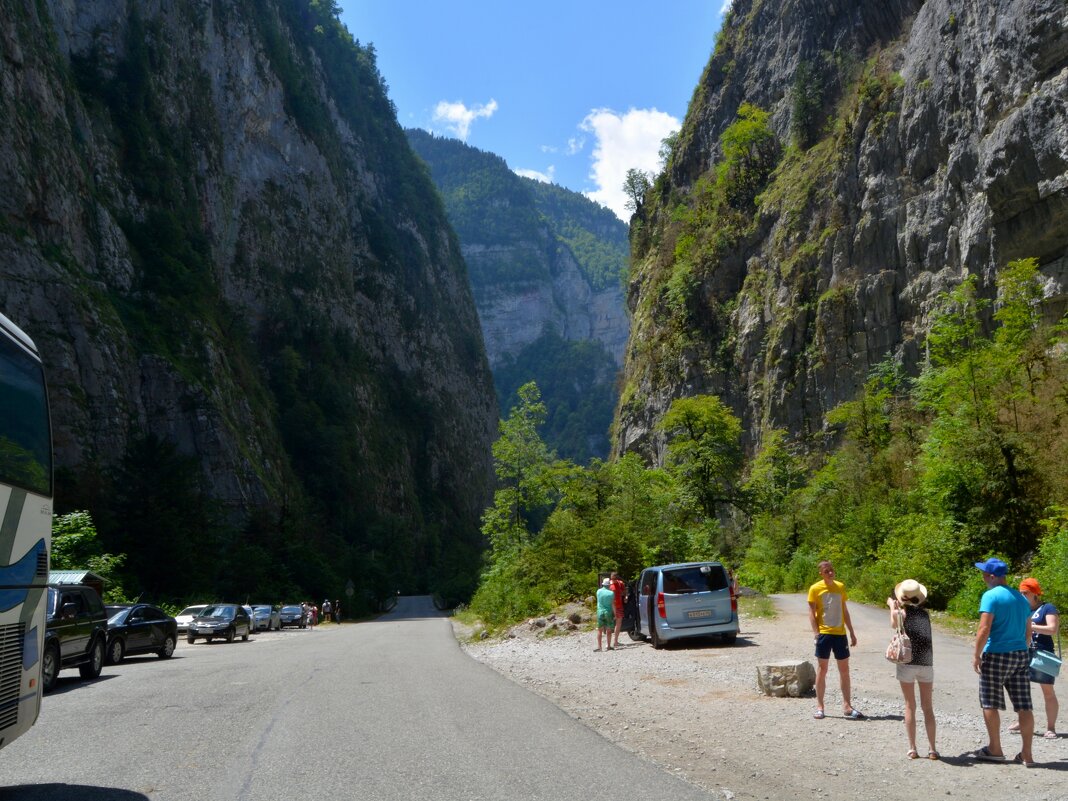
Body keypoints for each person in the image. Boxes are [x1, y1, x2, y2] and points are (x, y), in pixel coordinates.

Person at [972, 557, 1034, 766]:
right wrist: (1022, 649)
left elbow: (984, 628)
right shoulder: (1021, 598)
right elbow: (1028, 631)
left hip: (997, 653)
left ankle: (995, 749)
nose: (982, 577)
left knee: (989, 701)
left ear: (991, 576)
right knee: (1024, 705)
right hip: (1020, 654)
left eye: (983, 574)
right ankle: (1027, 754)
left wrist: (976, 655)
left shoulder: (990, 596)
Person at [887, 579, 938, 759]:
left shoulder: (901, 613)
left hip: (907, 663)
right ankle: (932, 749)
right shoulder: (925, 615)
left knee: (910, 705)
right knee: (928, 707)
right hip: (926, 663)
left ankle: (913, 748)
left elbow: (894, 624)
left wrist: (892, 606)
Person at [807, 560, 863, 720]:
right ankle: (820, 707)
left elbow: (845, 610)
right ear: (821, 573)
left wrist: (852, 632)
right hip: (824, 634)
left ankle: (847, 706)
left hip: (840, 633)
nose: (830, 573)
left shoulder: (840, 587)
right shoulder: (815, 588)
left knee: (844, 670)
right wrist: (816, 633)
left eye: (832, 570)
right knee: (822, 669)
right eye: (827, 571)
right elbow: (811, 612)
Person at [1008, 577, 1059, 739]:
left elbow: (1052, 629)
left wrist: (1030, 626)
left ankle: (1051, 727)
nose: (1022, 595)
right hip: (1023, 652)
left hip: (1043, 652)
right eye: (1021, 592)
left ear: (1035, 594)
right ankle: (1021, 720)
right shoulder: (1022, 609)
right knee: (1020, 689)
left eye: (1025, 593)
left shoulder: (1047, 608)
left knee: (1047, 691)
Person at [595, 578, 615, 652]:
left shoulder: (598, 591)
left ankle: (599, 647)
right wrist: (615, 613)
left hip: (600, 611)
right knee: (609, 630)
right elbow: (612, 604)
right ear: (609, 585)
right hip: (608, 612)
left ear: (603, 584)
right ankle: (608, 646)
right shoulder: (611, 593)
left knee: (599, 630)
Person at [609, 571, 627, 648]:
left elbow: (624, 591)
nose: (614, 579)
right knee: (609, 624)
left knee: (618, 623)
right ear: (611, 578)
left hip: (619, 606)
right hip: (610, 606)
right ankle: (610, 643)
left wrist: (626, 596)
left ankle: (615, 641)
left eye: (615, 578)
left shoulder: (620, 583)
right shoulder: (609, 585)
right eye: (613, 578)